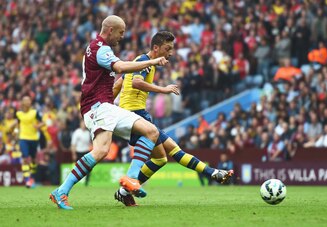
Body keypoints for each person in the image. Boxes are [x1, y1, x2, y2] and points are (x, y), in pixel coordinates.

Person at [49, 15, 169, 210]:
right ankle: (130, 178)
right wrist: (152, 63)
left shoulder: (94, 47)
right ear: (110, 30)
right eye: (121, 32)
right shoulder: (101, 48)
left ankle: (62, 191)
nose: (122, 36)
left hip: (100, 106)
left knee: (106, 148)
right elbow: (121, 67)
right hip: (99, 107)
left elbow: (110, 77)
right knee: (148, 133)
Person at [112, 31, 234, 206]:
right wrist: (164, 89)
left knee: (163, 157)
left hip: (136, 115)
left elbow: (119, 84)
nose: (170, 53)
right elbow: (136, 83)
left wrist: (107, 106)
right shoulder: (143, 63)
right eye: (167, 48)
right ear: (156, 48)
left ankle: (125, 191)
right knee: (171, 153)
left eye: (172, 49)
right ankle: (212, 173)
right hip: (134, 116)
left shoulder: (139, 61)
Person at [14, 96, 44, 188]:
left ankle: (32, 178)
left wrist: (38, 126)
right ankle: (28, 180)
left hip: (34, 139)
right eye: (25, 100)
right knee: (25, 159)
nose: (27, 102)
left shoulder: (35, 112)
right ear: (22, 103)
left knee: (34, 160)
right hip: (23, 138)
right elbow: (18, 124)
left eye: (29, 100)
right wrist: (15, 132)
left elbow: (42, 122)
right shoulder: (18, 113)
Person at [70, 120, 92, 186]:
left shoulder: (88, 133)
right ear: (80, 124)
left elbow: (90, 143)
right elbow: (73, 144)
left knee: (88, 167)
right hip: (78, 152)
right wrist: (73, 154)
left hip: (86, 152)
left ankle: (86, 182)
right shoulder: (77, 132)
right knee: (77, 168)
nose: (83, 125)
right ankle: (74, 181)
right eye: (82, 124)